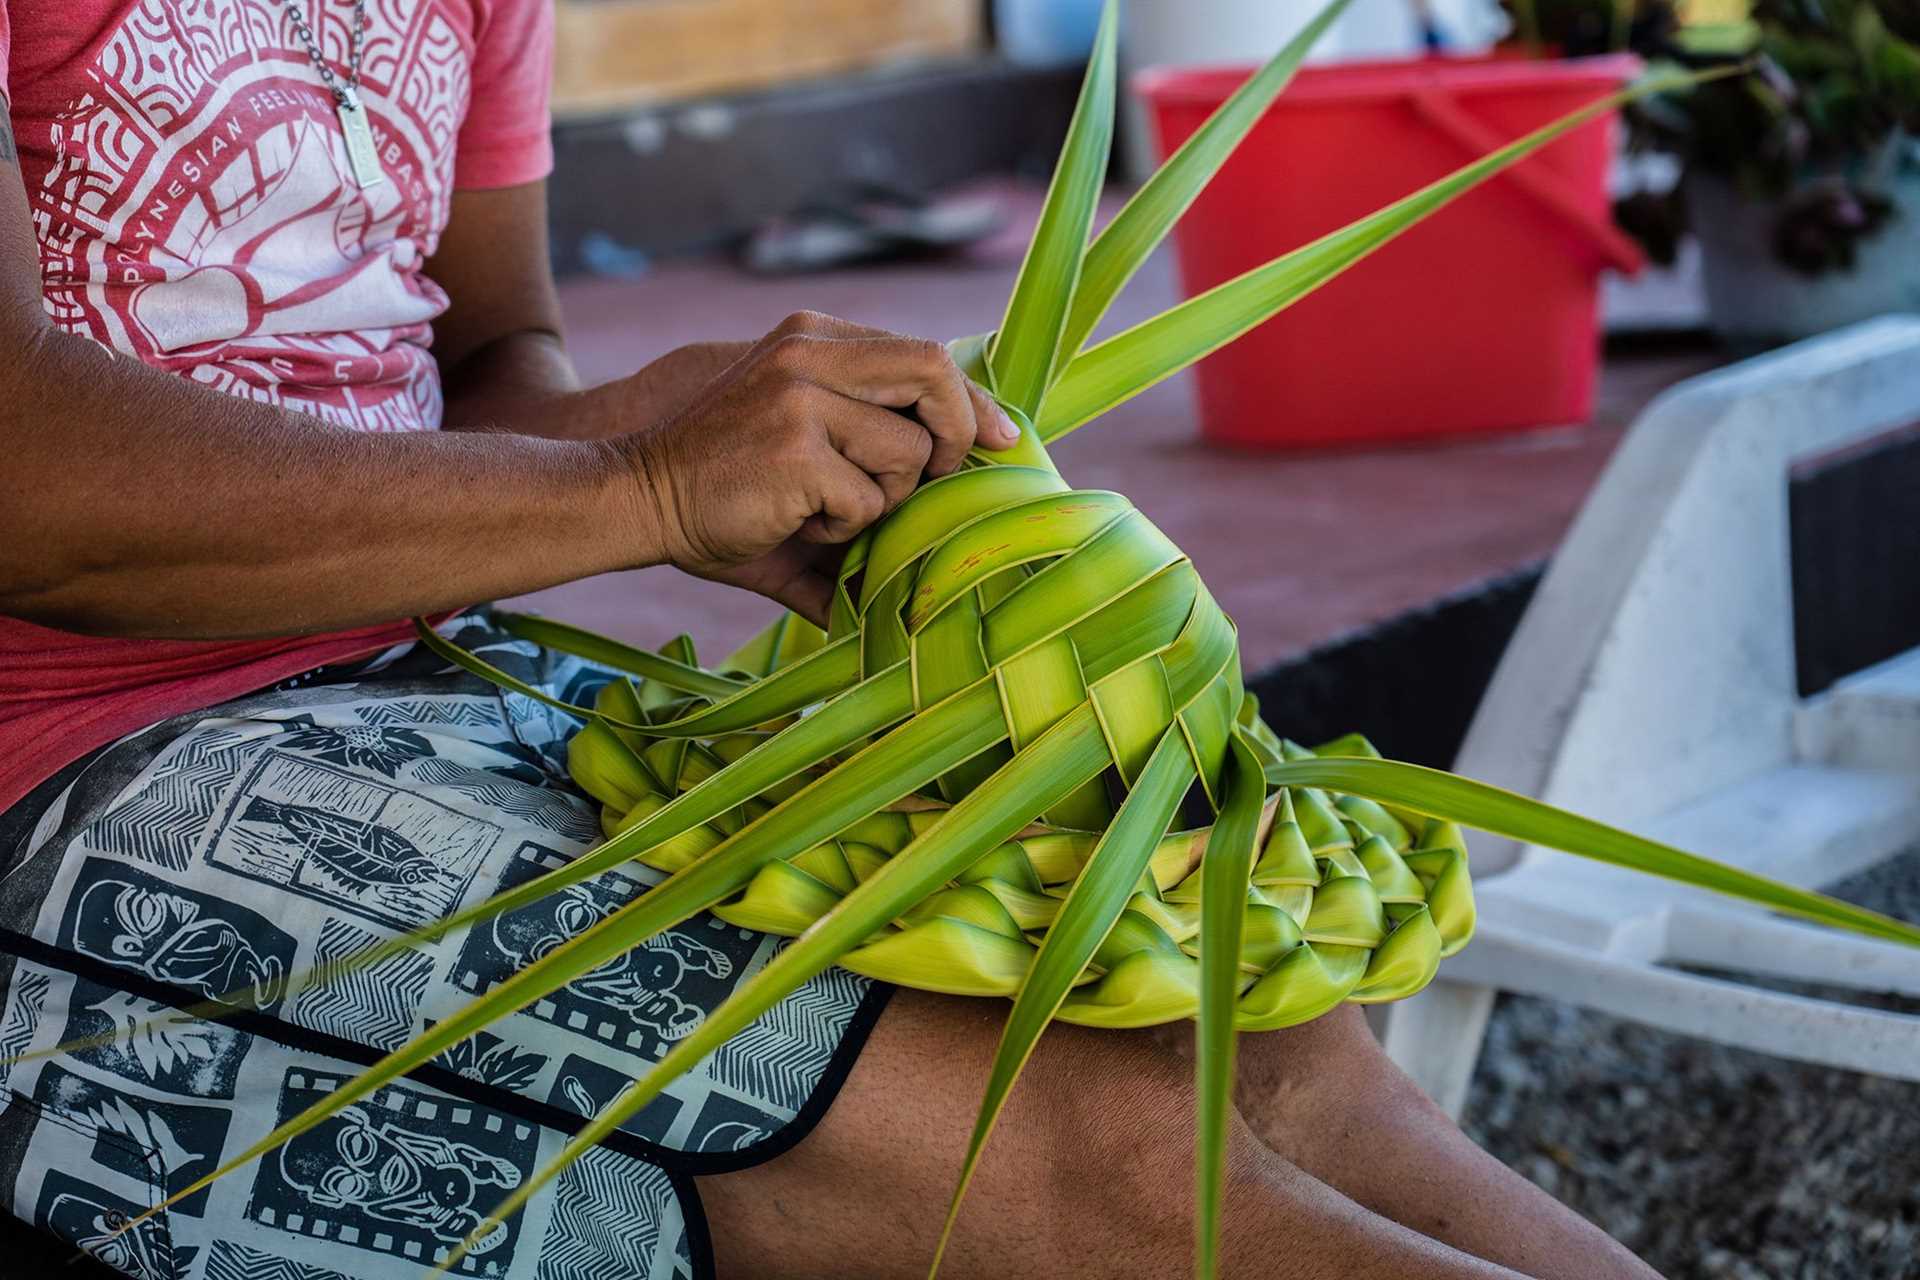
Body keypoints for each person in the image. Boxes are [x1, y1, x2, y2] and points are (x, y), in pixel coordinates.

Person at [0, 3, 1663, 1279]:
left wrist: (718, 437)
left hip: (422, 676)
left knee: (1236, 1017)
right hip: (68, 749)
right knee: (1075, 1151)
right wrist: (638, 484)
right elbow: (29, 483)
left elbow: (499, 356)